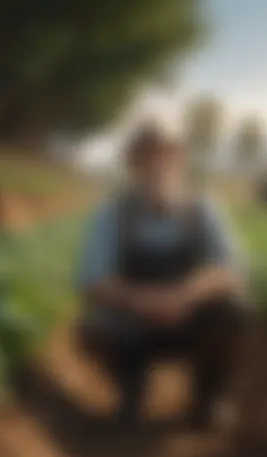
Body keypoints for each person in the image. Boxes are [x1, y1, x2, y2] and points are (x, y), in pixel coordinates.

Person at [74, 123, 250, 430]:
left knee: (234, 310)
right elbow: (93, 281)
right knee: (94, 327)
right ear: (132, 166)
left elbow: (232, 270)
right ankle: (132, 389)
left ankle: (208, 398)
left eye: (167, 156)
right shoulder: (112, 214)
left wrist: (182, 297)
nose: (157, 166)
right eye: (146, 158)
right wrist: (147, 302)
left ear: (181, 161)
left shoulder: (204, 209)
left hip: (189, 316)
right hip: (135, 321)